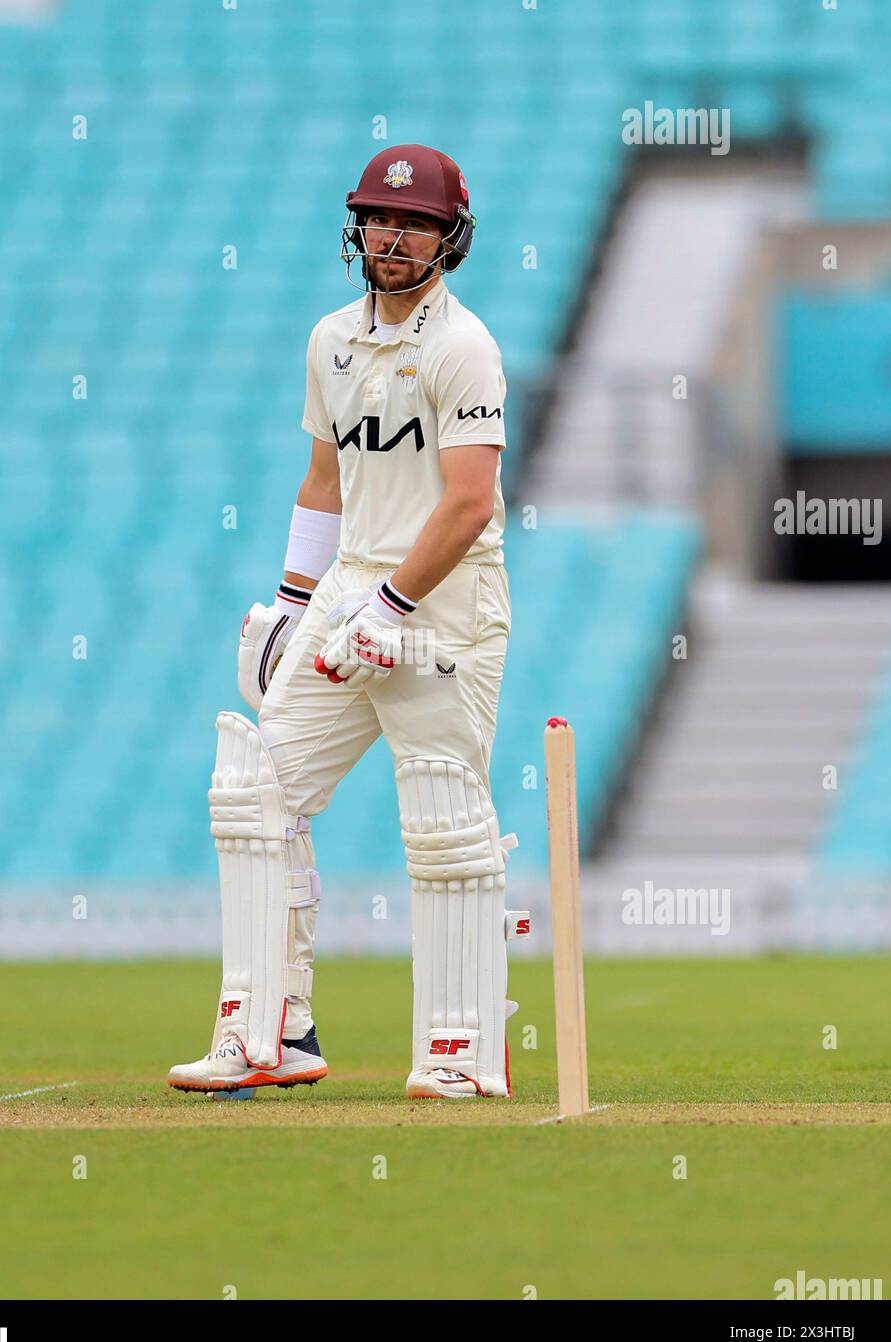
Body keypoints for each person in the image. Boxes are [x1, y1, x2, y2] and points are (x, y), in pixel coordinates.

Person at [168, 143, 527, 1100]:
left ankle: (460, 1056)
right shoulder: (329, 338)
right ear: (355, 229)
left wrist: (394, 604)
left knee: (444, 820)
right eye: (378, 218)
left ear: (450, 237)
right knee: (258, 792)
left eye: (412, 222)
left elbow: (468, 504)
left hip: (443, 601)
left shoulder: (464, 348)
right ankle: (268, 1033)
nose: (391, 236)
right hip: (350, 588)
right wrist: (295, 602)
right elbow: (325, 481)